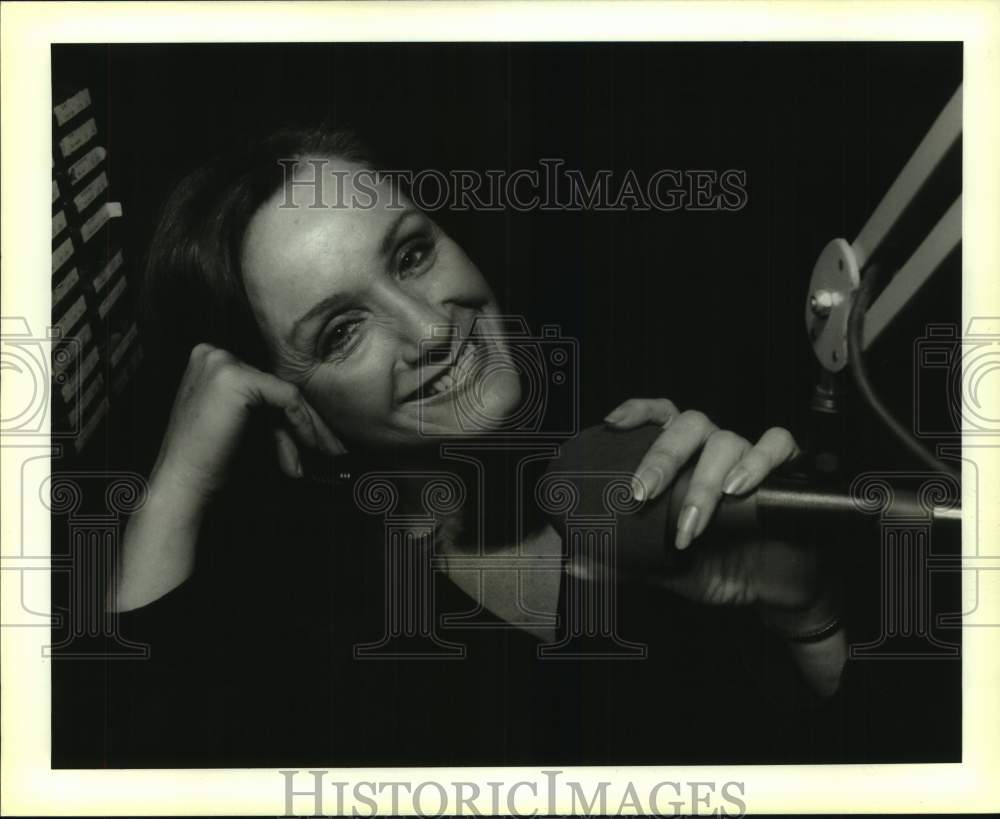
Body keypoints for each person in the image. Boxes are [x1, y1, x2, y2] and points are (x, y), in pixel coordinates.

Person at [63, 126, 951, 768]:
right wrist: (174, 486)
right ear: (283, 416)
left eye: (411, 256)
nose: (429, 327)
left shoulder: (639, 465)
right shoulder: (328, 665)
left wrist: (802, 609)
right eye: (340, 333)